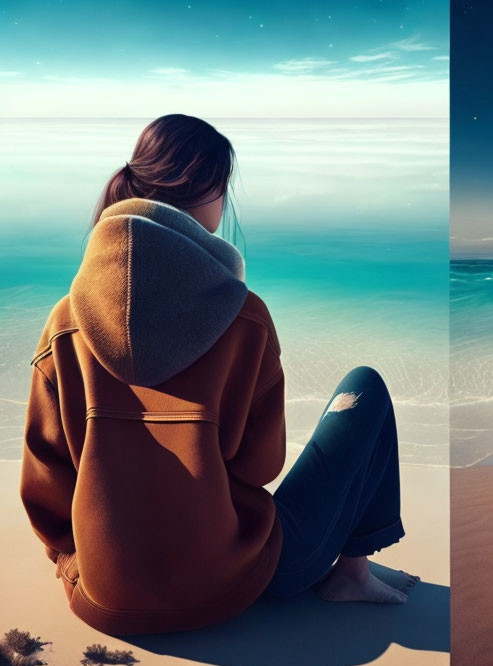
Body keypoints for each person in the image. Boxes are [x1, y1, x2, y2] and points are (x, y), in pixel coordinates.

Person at [18, 113, 418, 637]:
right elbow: (261, 465)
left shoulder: (65, 322)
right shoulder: (243, 317)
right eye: (223, 186)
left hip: (107, 595)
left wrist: (83, 566)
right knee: (364, 388)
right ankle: (353, 574)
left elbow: (44, 482)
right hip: (235, 585)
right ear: (203, 186)